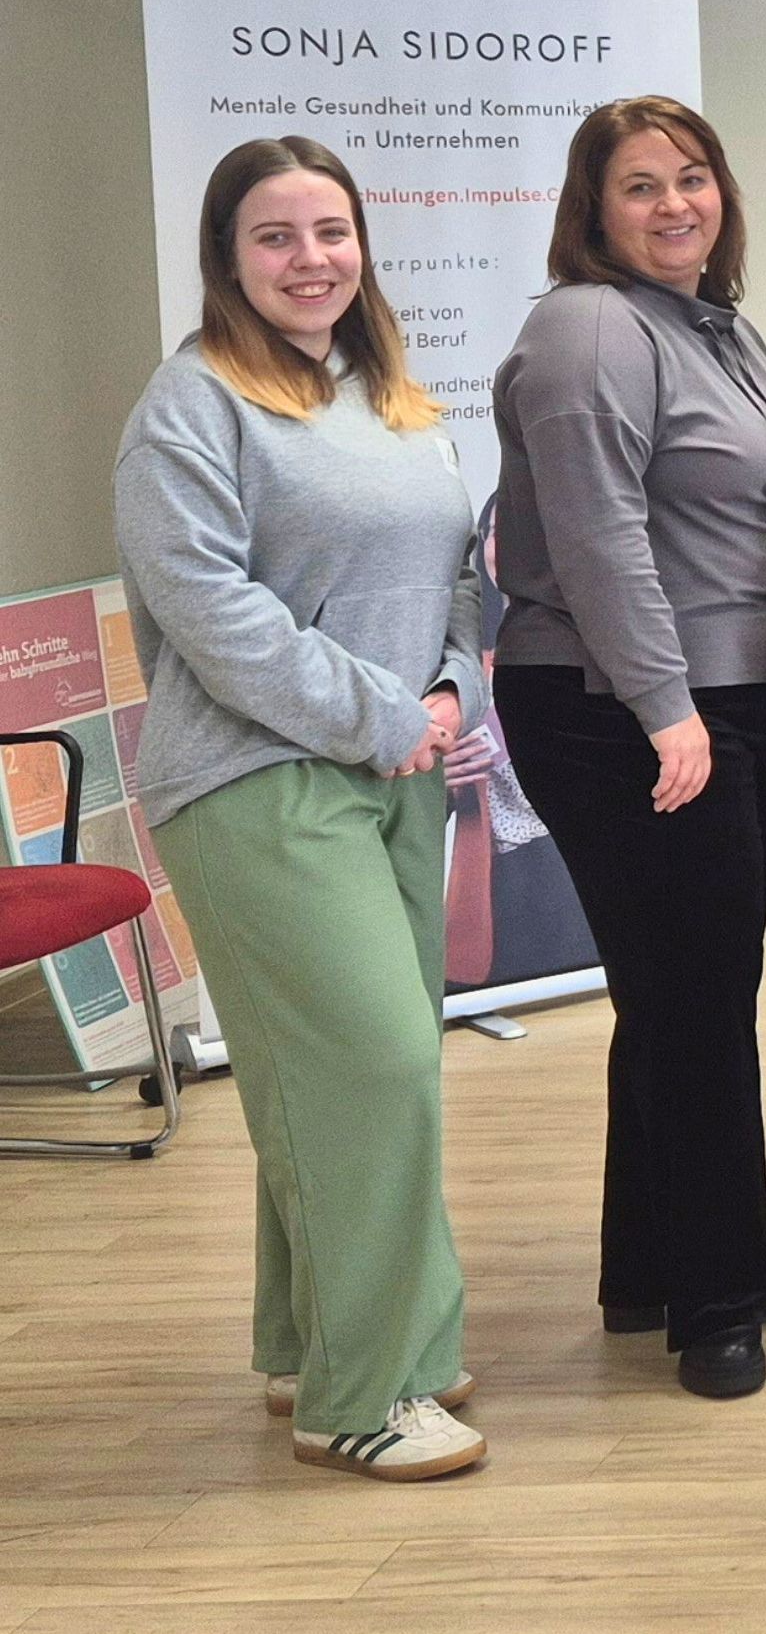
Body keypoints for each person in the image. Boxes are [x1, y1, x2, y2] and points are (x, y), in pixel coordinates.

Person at [117, 136, 485, 1481]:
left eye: (331, 231)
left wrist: (448, 688)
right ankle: (362, 1395)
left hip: (396, 774)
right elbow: (212, 613)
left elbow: (454, 567)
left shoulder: (381, 392)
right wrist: (386, 716)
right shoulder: (191, 406)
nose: (310, 258)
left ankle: (309, 1344)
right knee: (370, 1066)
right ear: (226, 258)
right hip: (255, 777)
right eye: (275, 237)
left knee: (335, 1075)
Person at [493, 96, 766, 1399]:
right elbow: (597, 532)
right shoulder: (585, 327)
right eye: (639, 186)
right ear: (592, 207)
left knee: (685, 990)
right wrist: (666, 708)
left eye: (692, 177)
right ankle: (715, 1296)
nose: (674, 203)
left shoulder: (712, 325)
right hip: (617, 702)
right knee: (693, 999)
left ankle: (648, 1267)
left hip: (719, 697)